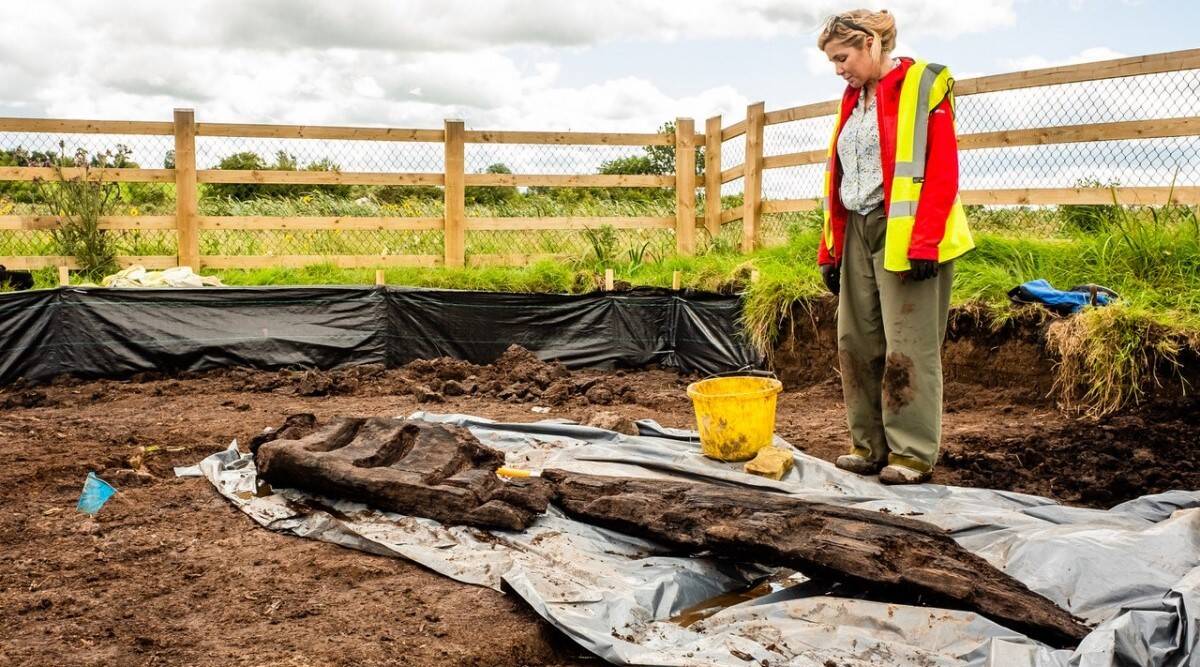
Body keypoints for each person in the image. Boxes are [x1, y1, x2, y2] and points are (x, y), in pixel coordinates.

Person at [816, 9, 975, 484]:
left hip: (905, 233)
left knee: (908, 346)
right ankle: (868, 447)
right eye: (832, 61)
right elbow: (838, 178)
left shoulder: (925, 84)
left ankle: (910, 455)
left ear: (869, 43)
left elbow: (942, 168)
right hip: (859, 231)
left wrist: (924, 241)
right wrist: (831, 251)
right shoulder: (852, 99)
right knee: (856, 340)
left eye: (842, 57)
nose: (838, 68)